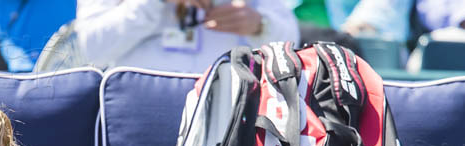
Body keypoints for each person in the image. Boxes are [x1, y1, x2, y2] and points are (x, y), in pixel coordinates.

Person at [73, 0, 300, 72]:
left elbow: (291, 42)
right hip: (140, 116)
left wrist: (259, 25)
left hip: (228, 118)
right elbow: (93, 48)